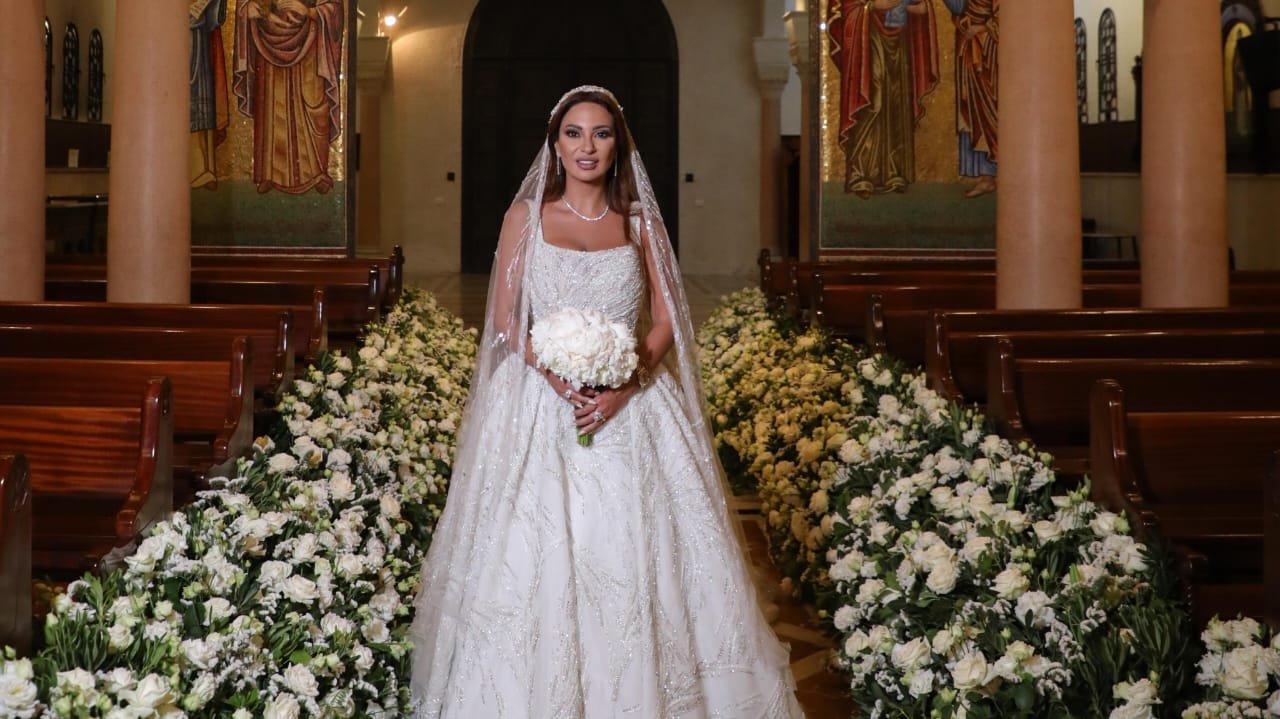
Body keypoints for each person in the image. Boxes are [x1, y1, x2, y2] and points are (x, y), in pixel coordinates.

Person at [408, 86, 804, 718]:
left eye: (600, 133)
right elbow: (506, 319)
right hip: (539, 401)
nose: (586, 146)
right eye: (573, 133)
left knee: (635, 552)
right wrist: (554, 375)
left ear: (619, 145)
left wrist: (625, 383)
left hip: (634, 404)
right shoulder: (525, 217)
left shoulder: (641, 223)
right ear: (555, 145)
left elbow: (667, 318)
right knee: (532, 552)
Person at [828, 0, 939, 198]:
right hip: (867, 36)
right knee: (873, 101)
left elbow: (921, 5)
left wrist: (915, 8)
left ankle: (894, 171)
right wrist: (879, 5)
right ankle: (860, 173)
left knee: (897, 101)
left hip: (900, 38)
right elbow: (846, 7)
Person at [232, 0, 343, 194]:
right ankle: (270, 173)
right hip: (268, 35)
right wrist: (248, 8)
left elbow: (334, 9)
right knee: (272, 104)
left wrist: (309, 11)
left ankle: (316, 172)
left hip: (310, 39)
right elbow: (247, 4)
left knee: (313, 100)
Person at [942, 0, 998, 198]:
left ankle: (990, 175)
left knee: (987, 111)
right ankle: (983, 175)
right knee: (971, 110)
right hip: (968, 48)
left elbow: (1005, 16)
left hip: (987, 52)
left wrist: (982, 27)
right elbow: (958, 7)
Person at [190, 0, 229, 189]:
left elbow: (213, 18)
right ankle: (193, 169)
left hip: (199, 35)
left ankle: (205, 168)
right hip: (177, 39)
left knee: (201, 97)